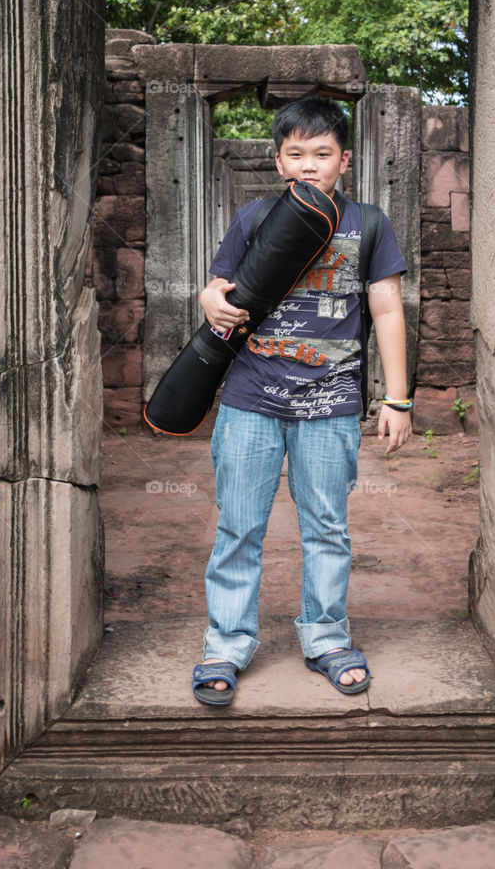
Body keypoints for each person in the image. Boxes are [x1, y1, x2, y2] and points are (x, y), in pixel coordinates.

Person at [192, 95, 412, 705]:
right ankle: (227, 644)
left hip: (332, 403)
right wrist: (209, 299)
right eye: (297, 154)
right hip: (249, 398)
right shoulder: (255, 216)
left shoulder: (368, 224)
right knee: (239, 526)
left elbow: (388, 310)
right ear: (279, 161)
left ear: (345, 160)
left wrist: (398, 400)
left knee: (327, 528)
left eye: (323, 153)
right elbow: (218, 288)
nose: (310, 164)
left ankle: (326, 637)